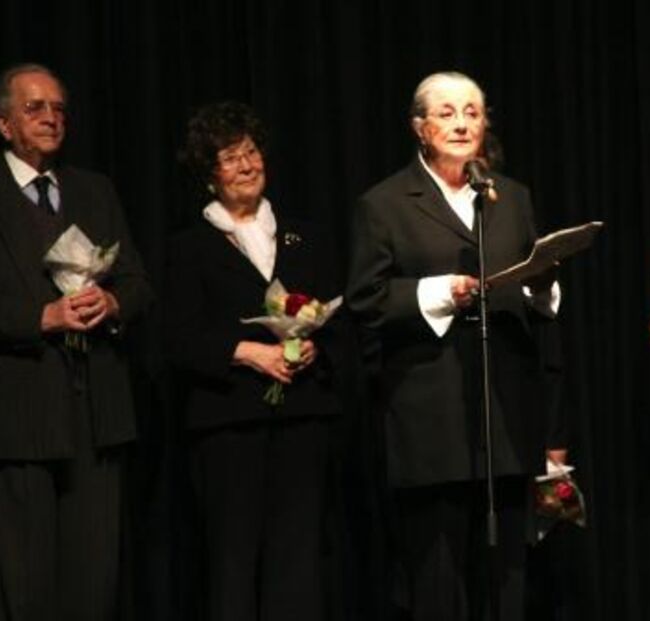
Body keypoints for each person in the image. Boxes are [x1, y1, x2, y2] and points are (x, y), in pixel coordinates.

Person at [0, 63, 152, 621]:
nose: (51, 119)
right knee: (24, 588)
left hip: (95, 411)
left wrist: (113, 303)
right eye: (35, 108)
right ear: (3, 124)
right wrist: (42, 317)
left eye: (59, 109)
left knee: (94, 582)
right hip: (15, 414)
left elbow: (136, 281)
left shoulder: (94, 190)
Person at [345, 71, 562, 620]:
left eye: (472, 111)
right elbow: (365, 301)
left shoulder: (511, 196)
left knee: (508, 576)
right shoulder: (386, 203)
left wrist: (542, 286)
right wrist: (440, 292)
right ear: (420, 128)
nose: (462, 123)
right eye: (446, 113)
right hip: (431, 418)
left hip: (504, 412)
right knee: (438, 579)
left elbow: (535, 292)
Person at [166, 101, 342, 621]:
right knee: (233, 564)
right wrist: (247, 353)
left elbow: (344, 319)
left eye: (251, 151)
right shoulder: (190, 246)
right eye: (229, 157)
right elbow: (176, 339)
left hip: (302, 419)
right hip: (229, 426)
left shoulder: (307, 236)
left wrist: (314, 346)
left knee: (298, 564)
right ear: (208, 175)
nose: (246, 164)